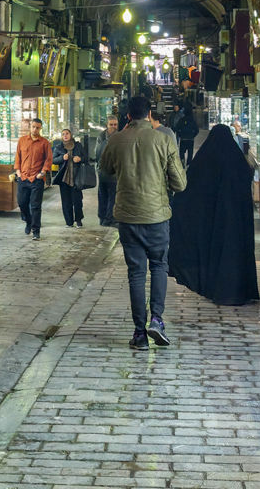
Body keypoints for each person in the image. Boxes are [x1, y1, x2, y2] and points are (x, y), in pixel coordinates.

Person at [100, 94, 187, 351]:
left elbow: (105, 172)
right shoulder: (163, 140)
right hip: (157, 217)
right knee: (159, 266)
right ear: (149, 114)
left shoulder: (116, 140)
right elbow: (180, 183)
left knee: (136, 273)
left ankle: (139, 334)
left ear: (127, 116)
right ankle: (157, 320)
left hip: (127, 217)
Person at [169, 124, 259, 306]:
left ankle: (216, 288)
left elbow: (188, 190)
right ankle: (240, 291)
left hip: (212, 225)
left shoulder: (205, 161)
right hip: (237, 224)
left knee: (215, 253)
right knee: (236, 253)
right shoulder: (238, 162)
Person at [15, 117, 52, 240]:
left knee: (36, 206)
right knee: (22, 203)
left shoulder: (45, 143)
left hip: (37, 178)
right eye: (33, 127)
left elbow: (48, 159)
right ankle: (28, 221)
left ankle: (36, 231)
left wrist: (42, 172)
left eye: (38, 127)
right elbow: (18, 157)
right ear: (30, 127)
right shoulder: (22, 141)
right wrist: (18, 172)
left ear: (40, 129)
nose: (35, 129)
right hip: (23, 177)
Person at [52, 127, 88, 227]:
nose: (65, 136)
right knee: (66, 201)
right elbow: (53, 160)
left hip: (76, 177)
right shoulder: (59, 147)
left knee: (77, 201)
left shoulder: (78, 146)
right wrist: (62, 158)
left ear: (71, 135)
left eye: (67, 133)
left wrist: (80, 158)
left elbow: (86, 158)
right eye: (63, 134)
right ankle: (69, 222)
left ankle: (79, 220)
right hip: (64, 178)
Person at [94, 113, 119, 228]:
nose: (113, 127)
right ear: (107, 125)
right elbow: (98, 153)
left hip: (106, 171)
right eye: (111, 124)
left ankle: (104, 218)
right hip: (107, 171)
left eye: (115, 124)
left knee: (106, 195)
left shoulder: (103, 136)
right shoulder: (103, 137)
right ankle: (107, 219)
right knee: (108, 195)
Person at [172, 102, 198, 166]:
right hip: (190, 139)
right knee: (190, 152)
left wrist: (180, 135)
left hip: (183, 138)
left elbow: (177, 128)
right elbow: (197, 130)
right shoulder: (192, 120)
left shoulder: (182, 120)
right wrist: (193, 135)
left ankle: (182, 160)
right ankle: (189, 163)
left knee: (182, 151)